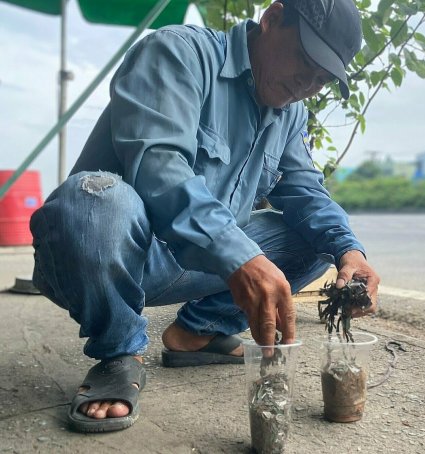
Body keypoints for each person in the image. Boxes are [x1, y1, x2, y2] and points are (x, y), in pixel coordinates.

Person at [29, 0, 379, 433]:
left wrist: (350, 251)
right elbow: (158, 165)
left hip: (196, 263)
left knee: (316, 238)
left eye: (321, 79)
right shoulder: (177, 53)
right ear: (272, 19)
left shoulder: (290, 114)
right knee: (95, 196)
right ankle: (118, 352)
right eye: (304, 62)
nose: (305, 84)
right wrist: (239, 258)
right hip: (108, 254)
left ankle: (200, 332)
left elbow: (306, 191)